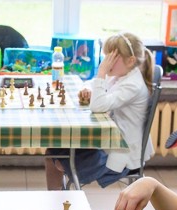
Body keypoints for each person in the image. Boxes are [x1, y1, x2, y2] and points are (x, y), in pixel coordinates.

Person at [45, 32, 154, 190]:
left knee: (55, 156)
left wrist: (101, 72)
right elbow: (92, 84)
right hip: (110, 143)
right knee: (52, 151)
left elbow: (98, 105)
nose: (106, 62)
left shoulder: (133, 85)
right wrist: (88, 89)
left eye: (111, 58)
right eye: (106, 57)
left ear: (130, 61)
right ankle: (57, 200)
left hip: (122, 157)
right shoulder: (120, 75)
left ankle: (61, 202)